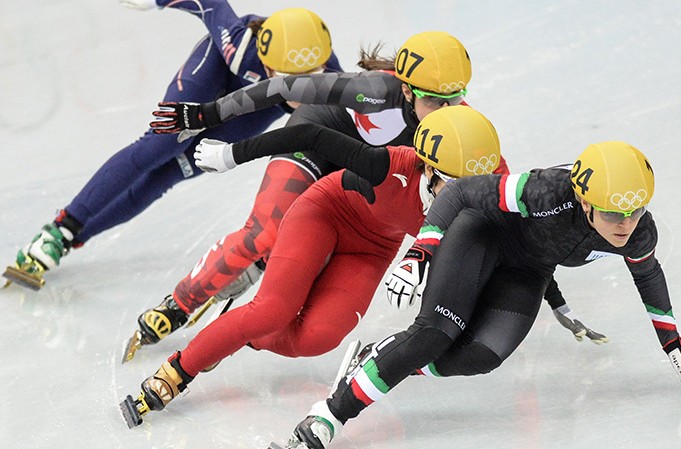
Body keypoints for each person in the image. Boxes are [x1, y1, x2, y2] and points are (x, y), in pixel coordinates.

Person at [125, 30, 604, 360]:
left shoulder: (464, 130)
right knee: (265, 231)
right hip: (317, 142)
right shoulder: (376, 90)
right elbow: (281, 87)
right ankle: (181, 302)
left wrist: (548, 292)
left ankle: (258, 285)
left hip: (371, 178)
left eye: (456, 100)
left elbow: (505, 223)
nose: (448, 110)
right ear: (408, 90)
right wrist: (208, 115)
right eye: (436, 101)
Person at [272, 141, 681, 449]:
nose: (625, 224)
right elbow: (457, 192)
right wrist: (420, 251)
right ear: (585, 202)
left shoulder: (638, 227)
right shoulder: (546, 192)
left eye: (635, 211)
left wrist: (674, 345)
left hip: (529, 269)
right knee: (433, 335)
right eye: (613, 213)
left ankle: (381, 359)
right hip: (482, 233)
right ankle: (329, 415)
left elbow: (648, 276)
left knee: (479, 358)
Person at [119, 105, 507, 428]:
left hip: (370, 250)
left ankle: (240, 333)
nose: (464, 199)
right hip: (324, 212)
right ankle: (177, 371)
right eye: (454, 189)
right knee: (274, 310)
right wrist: (233, 153)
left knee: (317, 338)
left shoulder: (489, 175)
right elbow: (309, 136)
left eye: (472, 188)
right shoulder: (389, 165)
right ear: (428, 170)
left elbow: (522, 233)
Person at [3, 0, 342, 290]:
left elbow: (347, 140)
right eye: (289, 79)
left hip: (258, 102)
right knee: (162, 146)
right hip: (216, 72)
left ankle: (67, 240)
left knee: (175, 170)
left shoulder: (333, 82)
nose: (301, 89)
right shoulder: (238, 48)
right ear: (267, 65)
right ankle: (61, 228)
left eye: (311, 77)